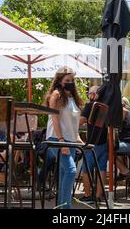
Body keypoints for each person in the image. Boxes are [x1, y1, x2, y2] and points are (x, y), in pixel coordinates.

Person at [44, 66, 84, 209]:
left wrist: (78, 139)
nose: (70, 82)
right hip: (57, 139)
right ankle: (66, 208)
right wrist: (61, 141)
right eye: (67, 80)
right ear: (60, 80)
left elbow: (73, 123)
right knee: (71, 170)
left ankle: (61, 209)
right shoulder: (56, 95)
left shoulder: (73, 97)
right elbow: (55, 119)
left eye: (72, 79)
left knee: (63, 173)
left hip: (71, 140)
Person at [79, 85, 108, 203]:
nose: (89, 95)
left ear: (95, 94)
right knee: (102, 168)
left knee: (86, 169)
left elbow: (80, 121)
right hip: (103, 141)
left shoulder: (90, 105)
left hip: (91, 143)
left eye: (90, 93)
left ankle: (87, 195)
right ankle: (98, 195)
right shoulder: (106, 106)